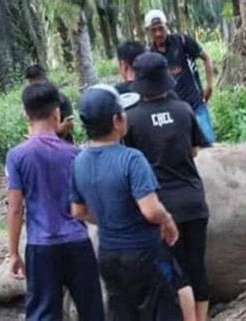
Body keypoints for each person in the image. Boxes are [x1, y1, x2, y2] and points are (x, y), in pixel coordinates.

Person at [71, 84, 185, 321]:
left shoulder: (78, 161)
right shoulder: (132, 159)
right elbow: (151, 210)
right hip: (143, 253)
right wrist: (168, 219)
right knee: (160, 312)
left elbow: (78, 210)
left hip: (108, 254)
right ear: (116, 120)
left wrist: (109, 217)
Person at [5, 82, 104, 321]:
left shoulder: (17, 155)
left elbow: (16, 208)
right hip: (78, 243)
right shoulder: (75, 154)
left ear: (26, 115)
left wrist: (13, 253)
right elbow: (88, 205)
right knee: (92, 311)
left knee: (42, 314)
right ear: (56, 113)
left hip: (41, 246)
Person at [125, 52, 210, 321]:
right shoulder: (184, 109)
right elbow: (195, 150)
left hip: (161, 206)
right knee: (197, 267)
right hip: (195, 201)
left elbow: (131, 164)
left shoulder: (131, 119)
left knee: (176, 270)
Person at [145, 9, 216, 146]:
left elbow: (206, 58)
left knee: (208, 146)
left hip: (195, 104)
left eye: (161, 28)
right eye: (154, 30)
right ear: (149, 31)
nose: (158, 33)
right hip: (172, 113)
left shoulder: (182, 41)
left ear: (167, 26)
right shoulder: (150, 55)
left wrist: (210, 86)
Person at [24, 64, 75, 143]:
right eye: (30, 82)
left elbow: (69, 125)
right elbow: (30, 125)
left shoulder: (61, 99)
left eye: (35, 81)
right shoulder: (31, 102)